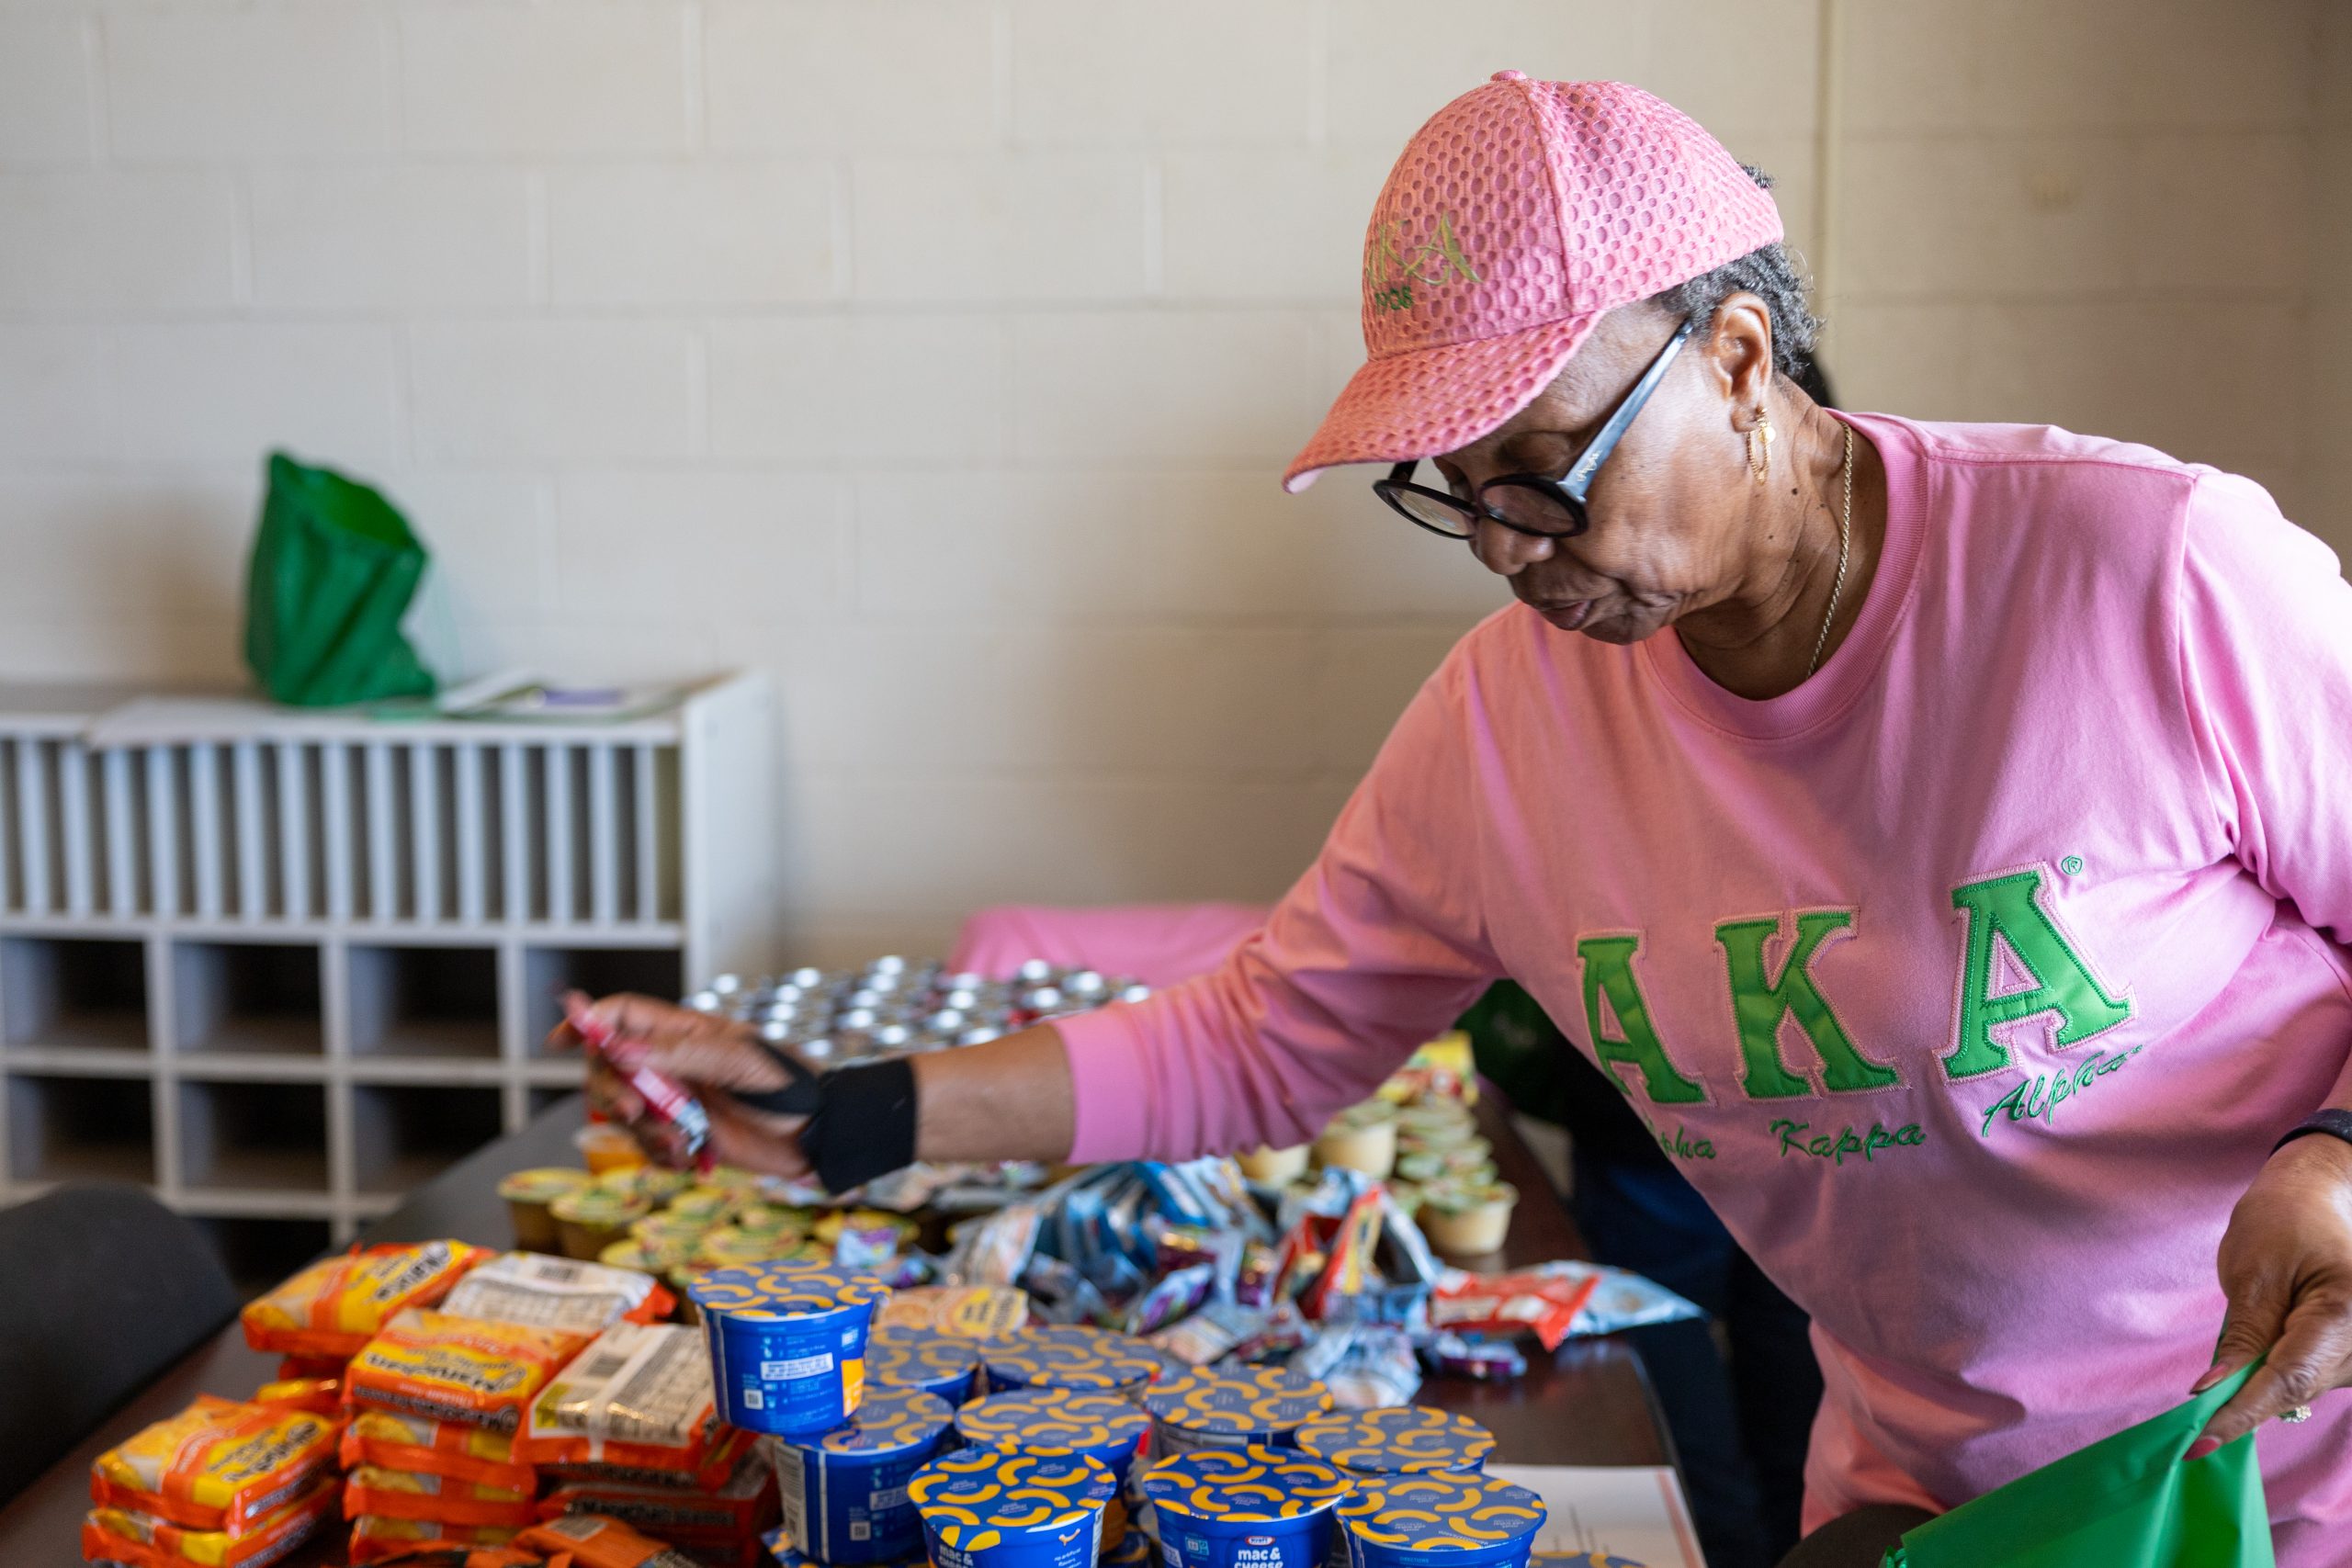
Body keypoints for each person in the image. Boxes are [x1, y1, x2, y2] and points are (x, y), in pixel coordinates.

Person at [564, 76, 2352, 1567]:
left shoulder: (2142, 571)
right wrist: (840, 1114)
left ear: (1738, 357)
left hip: (2269, 1479)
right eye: (1457, 488)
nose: (1502, 543)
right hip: (1929, 1495)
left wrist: (2335, 1152)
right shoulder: (1513, 723)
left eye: (1544, 469)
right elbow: (1264, 1032)